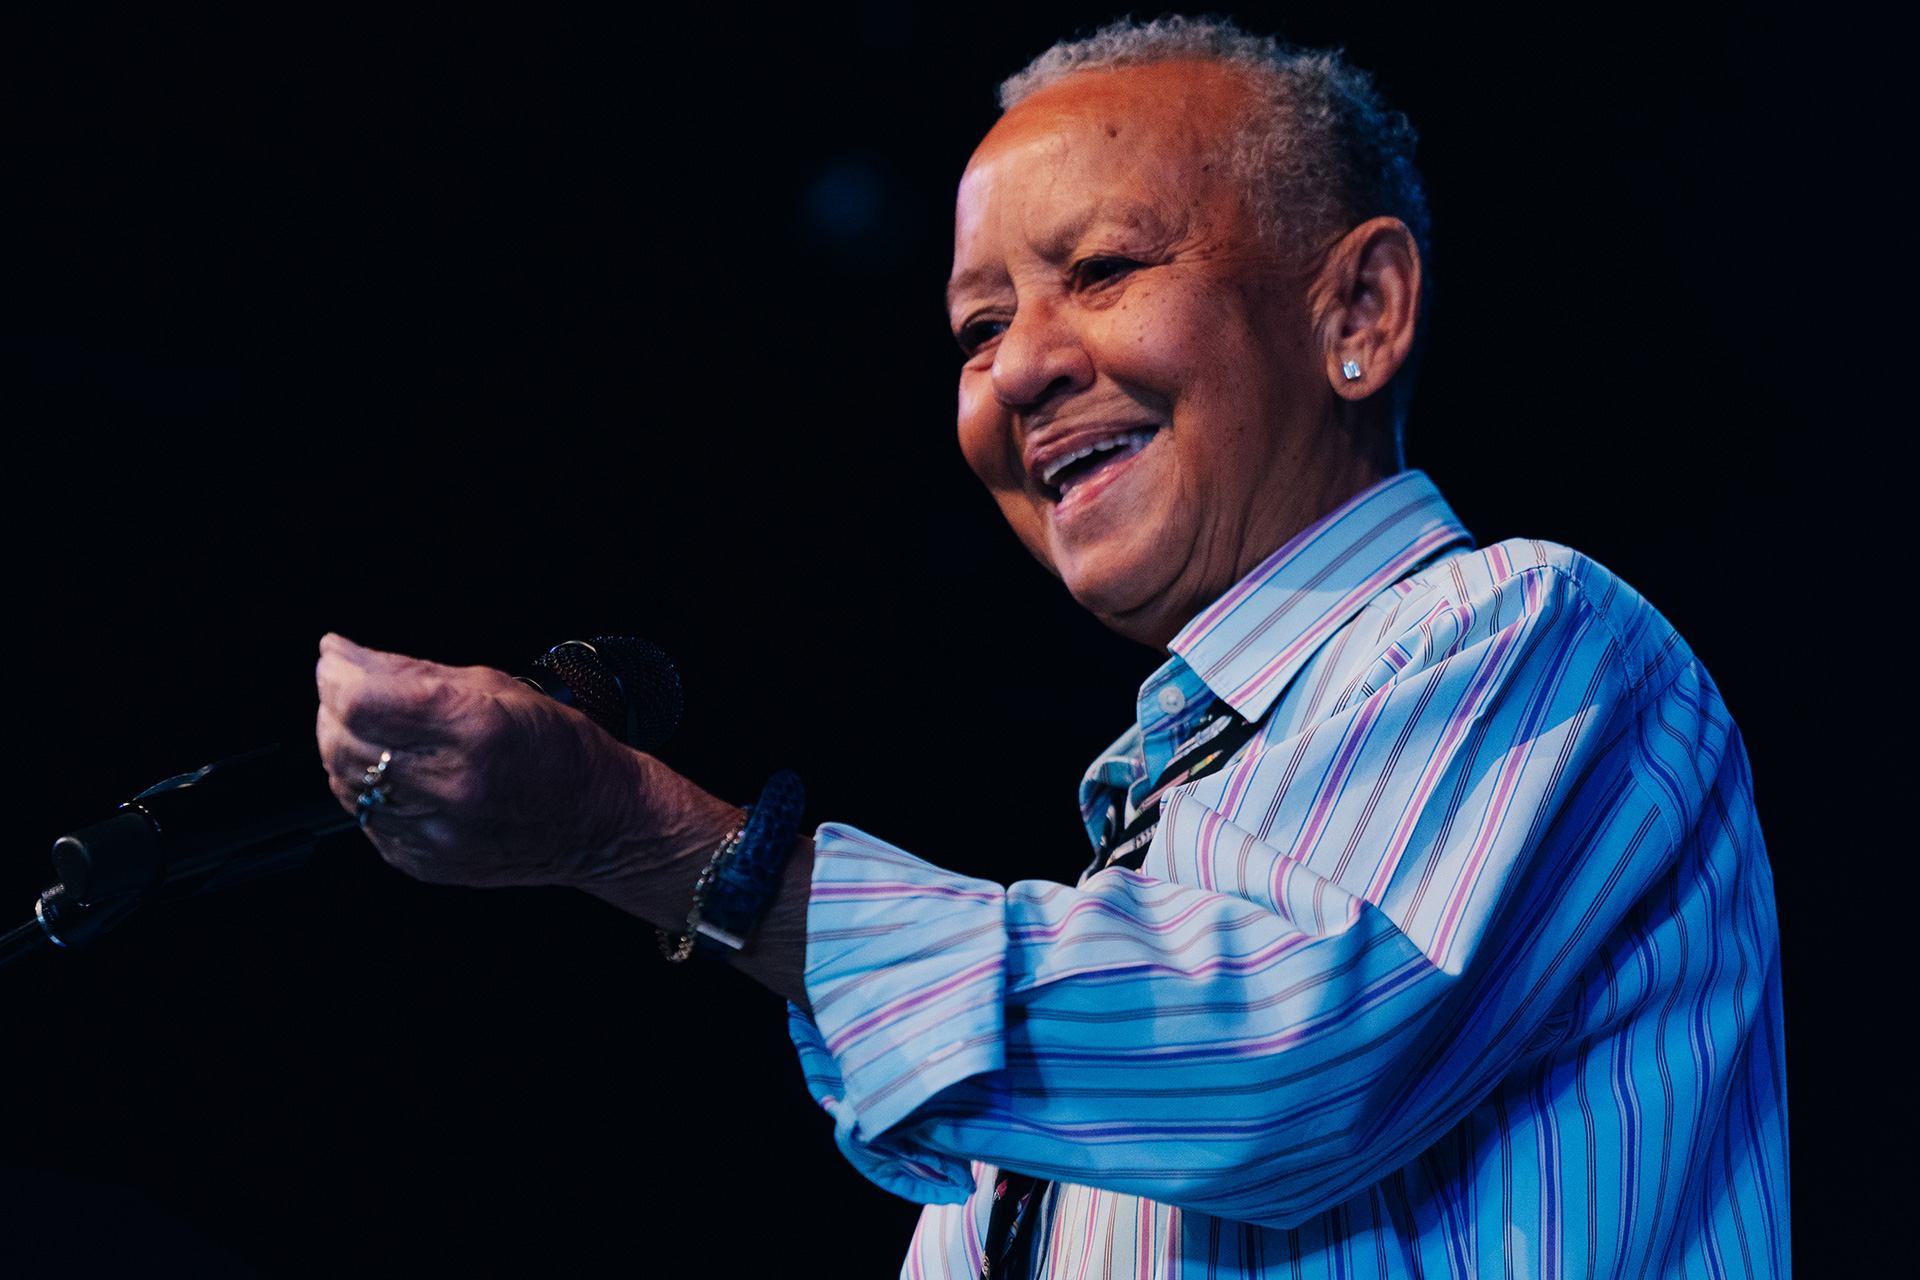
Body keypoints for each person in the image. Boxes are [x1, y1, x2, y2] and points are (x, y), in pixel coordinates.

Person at [316, 17, 1788, 1279]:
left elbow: (1279, 1060)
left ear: (1360, 309)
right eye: (974, 328)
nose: (1016, 367)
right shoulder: (1137, 879)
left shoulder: (1536, 635)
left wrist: (662, 841)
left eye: (1100, 269)